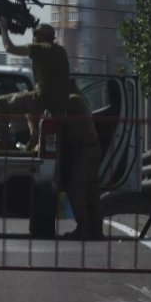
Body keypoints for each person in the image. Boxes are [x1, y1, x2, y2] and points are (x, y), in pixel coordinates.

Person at [0, 17, 70, 149]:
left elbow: (9, 48)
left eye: (34, 35)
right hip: (57, 104)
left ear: (41, 37)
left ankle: (2, 141)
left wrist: (3, 28)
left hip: (41, 100)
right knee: (28, 110)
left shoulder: (41, 49)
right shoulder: (61, 51)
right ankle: (33, 140)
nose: (32, 38)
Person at [61, 90, 104, 240]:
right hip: (92, 148)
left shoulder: (70, 101)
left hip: (84, 149)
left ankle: (83, 228)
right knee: (91, 190)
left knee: (76, 189)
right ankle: (96, 229)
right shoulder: (80, 100)